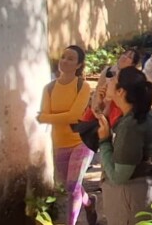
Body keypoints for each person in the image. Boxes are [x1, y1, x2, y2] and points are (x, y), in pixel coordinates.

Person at [36, 46, 94, 225]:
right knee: (71, 187)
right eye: (63, 57)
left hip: (81, 143)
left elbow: (74, 116)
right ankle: (90, 203)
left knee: (72, 186)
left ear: (78, 65)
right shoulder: (49, 88)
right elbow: (43, 118)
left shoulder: (82, 86)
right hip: (60, 144)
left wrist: (49, 117)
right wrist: (51, 117)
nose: (65, 61)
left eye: (70, 59)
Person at [97, 67, 152, 225]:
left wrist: (104, 141)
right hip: (137, 193)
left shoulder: (131, 126)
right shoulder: (141, 114)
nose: (109, 81)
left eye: (113, 79)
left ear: (121, 91)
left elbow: (119, 176)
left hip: (130, 196)